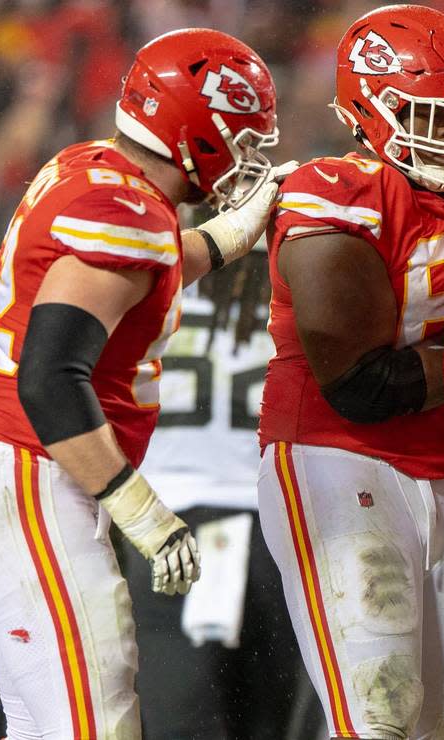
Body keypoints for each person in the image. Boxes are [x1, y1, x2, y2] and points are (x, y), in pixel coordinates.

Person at [0, 28, 285, 738]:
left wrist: (223, 238)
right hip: (30, 482)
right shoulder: (125, 215)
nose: (250, 156)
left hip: (7, 477)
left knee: (44, 724)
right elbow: (51, 381)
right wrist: (144, 514)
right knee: (96, 721)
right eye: (242, 138)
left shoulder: (91, 170)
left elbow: (146, 261)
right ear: (199, 133)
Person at [255, 5, 444, 738]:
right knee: (377, 710)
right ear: (372, 109)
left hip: (434, 469)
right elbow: (360, 386)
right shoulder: (336, 192)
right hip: (334, 459)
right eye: (432, 117)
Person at [128, 255, 317, 739]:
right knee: (271, 717)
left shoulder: (152, 298)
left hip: (167, 526)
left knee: (178, 719)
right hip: (273, 531)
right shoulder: (298, 301)